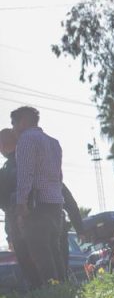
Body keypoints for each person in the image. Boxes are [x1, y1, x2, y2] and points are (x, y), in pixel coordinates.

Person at [11, 106, 64, 288]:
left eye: (14, 123)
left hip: (36, 205)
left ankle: (53, 295)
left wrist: (21, 205)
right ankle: (64, 292)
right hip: (55, 203)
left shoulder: (26, 139)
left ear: (23, 122)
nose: (13, 128)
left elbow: (25, 175)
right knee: (55, 252)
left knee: (41, 255)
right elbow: (59, 176)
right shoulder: (54, 142)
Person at [0, 127, 38, 286]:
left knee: (32, 273)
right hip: (38, 222)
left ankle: (42, 297)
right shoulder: (30, 161)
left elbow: (6, 203)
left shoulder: (9, 168)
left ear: (3, 145)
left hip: (21, 225)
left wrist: (10, 233)